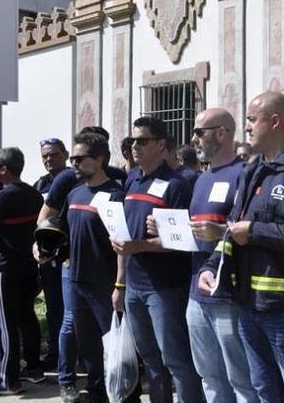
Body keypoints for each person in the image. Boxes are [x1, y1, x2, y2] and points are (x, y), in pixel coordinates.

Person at [199, 92, 284, 403]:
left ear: (275, 121)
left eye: (251, 120)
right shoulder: (253, 170)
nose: (246, 128)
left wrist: (255, 232)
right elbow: (234, 227)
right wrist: (210, 266)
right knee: (264, 390)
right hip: (249, 305)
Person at [112, 117, 203, 403]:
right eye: (131, 142)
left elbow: (183, 242)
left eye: (142, 141)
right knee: (150, 359)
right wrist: (120, 284)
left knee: (176, 360)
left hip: (166, 288)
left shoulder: (178, 184)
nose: (134, 147)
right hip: (135, 288)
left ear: (161, 144)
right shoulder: (132, 179)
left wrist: (139, 245)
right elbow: (125, 241)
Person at [184, 108, 257, 403]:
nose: (193, 139)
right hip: (196, 293)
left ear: (222, 133)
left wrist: (220, 232)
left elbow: (247, 230)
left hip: (229, 294)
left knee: (241, 378)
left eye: (199, 132)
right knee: (209, 376)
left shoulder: (244, 175)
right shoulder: (202, 178)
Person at [58, 132, 126, 403]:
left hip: (104, 284)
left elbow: (124, 245)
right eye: (72, 158)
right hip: (76, 282)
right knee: (88, 347)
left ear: (98, 160)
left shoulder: (116, 196)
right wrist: (42, 246)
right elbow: (62, 230)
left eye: (79, 158)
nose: (73, 163)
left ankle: (120, 394)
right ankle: (97, 394)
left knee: (113, 345)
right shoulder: (74, 193)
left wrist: (120, 285)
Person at [0, 147, 45, 395]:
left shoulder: (3, 196)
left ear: (5, 169)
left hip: (4, 269)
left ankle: (9, 379)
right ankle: (35, 369)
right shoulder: (34, 194)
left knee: (5, 324)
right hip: (28, 265)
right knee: (28, 317)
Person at [32, 137, 69, 371]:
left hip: (73, 254)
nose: (49, 159)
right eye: (45, 155)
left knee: (75, 308)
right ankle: (56, 352)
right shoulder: (40, 184)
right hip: (48, 256)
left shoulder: (75, 180)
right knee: (54, 306)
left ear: (65, 155)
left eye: (53, 154)